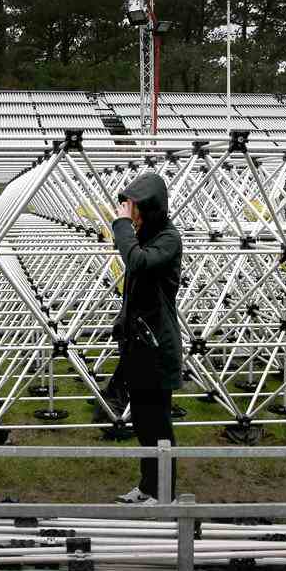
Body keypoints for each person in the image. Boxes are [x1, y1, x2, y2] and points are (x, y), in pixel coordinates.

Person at [111, 173, 183, 505]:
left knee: (159, 426)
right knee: (142, 422)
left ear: (150, 208)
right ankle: (146, 486)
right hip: (139, 346)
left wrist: (121, 226)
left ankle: (163, 493)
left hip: (158, 348)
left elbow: (138, 263)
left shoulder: (168, 240)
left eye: (135, 208)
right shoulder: (147, 238)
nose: (131, 214)